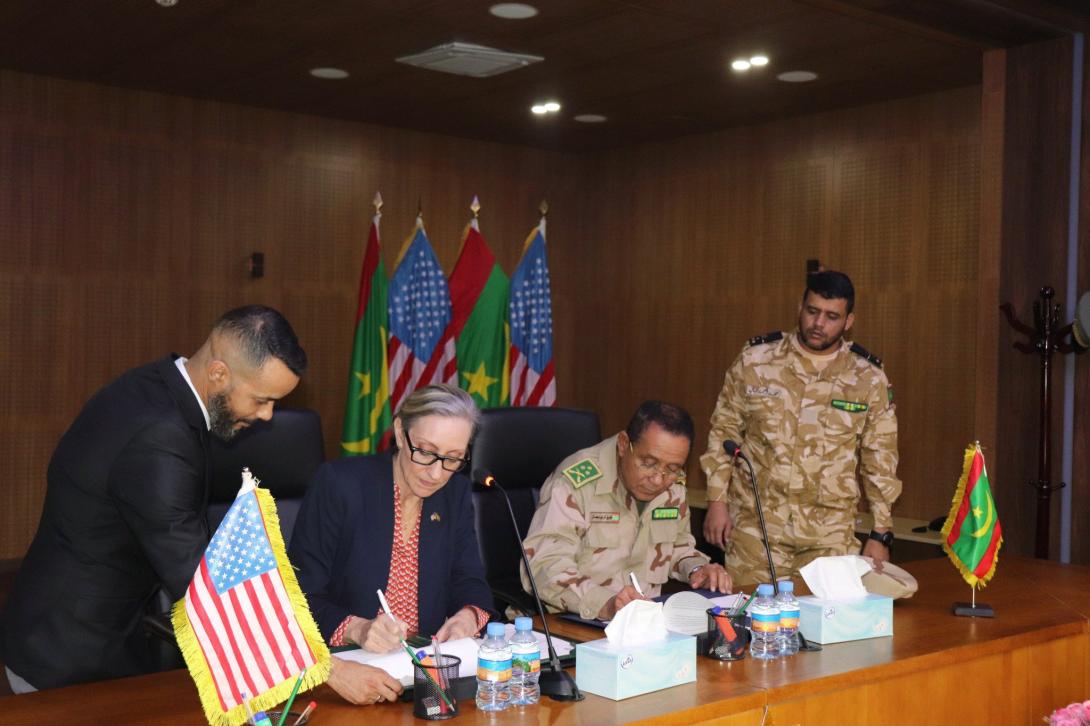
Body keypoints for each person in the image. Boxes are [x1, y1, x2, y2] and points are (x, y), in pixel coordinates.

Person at [1, 305, 306, 693]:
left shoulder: (157, 387)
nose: (267, 416)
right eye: (261, 399)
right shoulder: (159, 436)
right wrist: (315, 666)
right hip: (67, 655)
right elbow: (198, 581)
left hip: (107, 632)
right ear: (219, 373)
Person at [290, 384, 494, 705]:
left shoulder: (454, 493)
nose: (436, 473)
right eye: (425, 452)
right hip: (348, 676)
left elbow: (470, 579)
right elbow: (298, 597)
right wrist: (357, 629)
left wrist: (467, 616)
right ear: (400, 432)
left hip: (426, 680)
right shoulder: (340, 485)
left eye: (453, 458)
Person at [700, 270, 901, 585]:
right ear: (800, 307)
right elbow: (724, 432)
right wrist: (716, 501)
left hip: (828, 536)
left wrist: (880, 533)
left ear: (849, 321)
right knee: (749, 611)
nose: (818, 323)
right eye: (812, 311)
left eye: (832, 316)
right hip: (757, 529)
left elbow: (880, 459)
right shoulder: (756, 361)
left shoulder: (868, 378)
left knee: (829, 615)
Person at [522, 401, 732, 621]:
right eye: (648, 463)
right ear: (623, 445)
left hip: (642, 623)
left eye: (672, 468)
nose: (658, 479)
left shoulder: (673, 486)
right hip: (571, 620)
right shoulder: (577, 483)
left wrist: (697, 569)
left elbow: (676, 546)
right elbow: (544, 566)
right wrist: (606, 604)